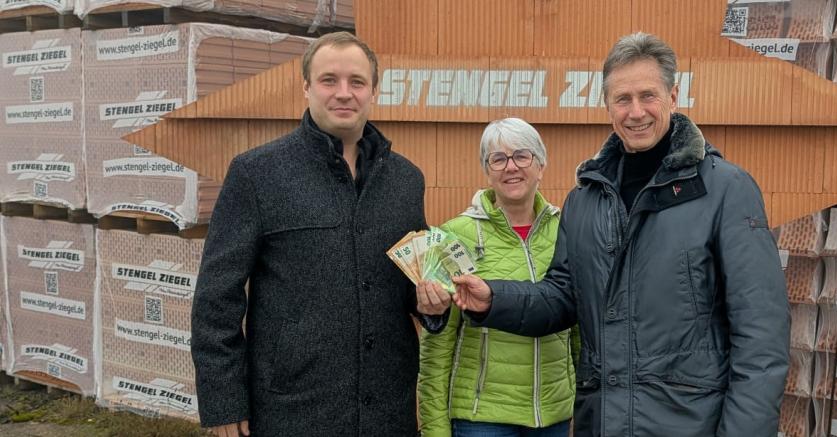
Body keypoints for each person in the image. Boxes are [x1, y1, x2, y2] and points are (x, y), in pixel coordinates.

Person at [450, 32, 790, 437]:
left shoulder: (725, 190)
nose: (636, 112)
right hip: (603, 422)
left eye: (648, 96)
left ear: (673, 97)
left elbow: (761, 336)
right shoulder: (585, 199)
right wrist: (494, 299)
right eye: (623, 99)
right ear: (607, 105)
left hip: (691, 424)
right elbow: (563, 297)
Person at [190, 31, 451, 437]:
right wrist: (224, 401)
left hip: (387, 409)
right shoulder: (258, 174)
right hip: (292, 409)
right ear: (306, 87)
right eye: (329, 80)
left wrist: (432, 306)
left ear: (374, 91)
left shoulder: (406, 180)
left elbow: (411, 284)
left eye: (357, 82)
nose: (344, 93)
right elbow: (216, 298)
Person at [417, 118, 577, 437]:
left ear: (541, 165)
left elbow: (580, 328)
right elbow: (437, 345)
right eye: (498, 159)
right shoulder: (454, 235)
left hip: (554, 415)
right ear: (487, 170)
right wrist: (435, 428)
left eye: (522, 156)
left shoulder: (568, 229)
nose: (510, 167)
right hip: (481, 419)